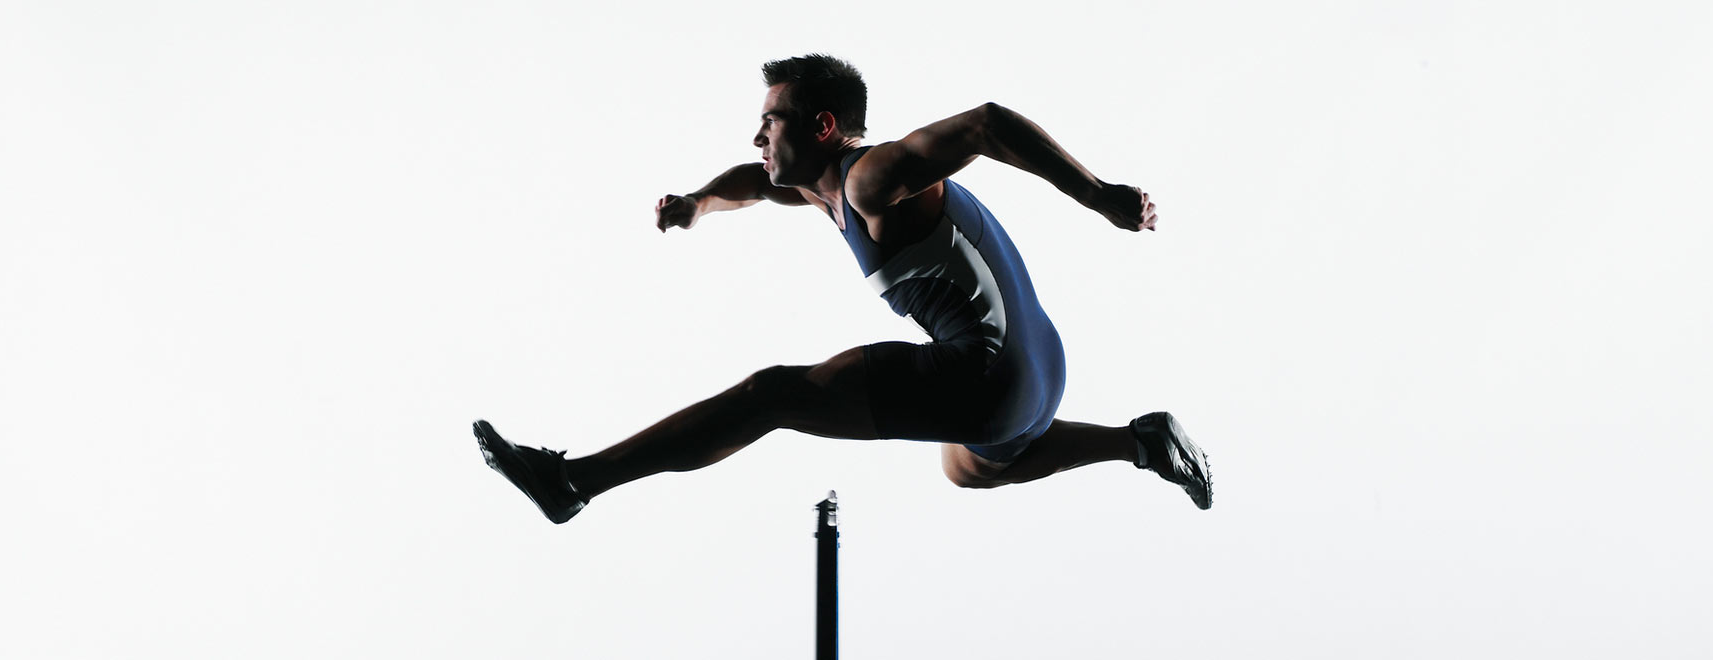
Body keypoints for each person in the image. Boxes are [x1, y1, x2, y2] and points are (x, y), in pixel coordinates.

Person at [476, 54, 1211, 524]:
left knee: (771, 396)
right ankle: (1136, 442)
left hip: (989, 378)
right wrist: (700, 202)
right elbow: (754, 186)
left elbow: (987, 125)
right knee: (966, 468)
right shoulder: (828, 191)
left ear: (824, 126)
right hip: (1037, 373)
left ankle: (575, 482)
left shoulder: (870, 178)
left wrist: (1101, 196)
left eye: (770, 122)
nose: (758, 139)